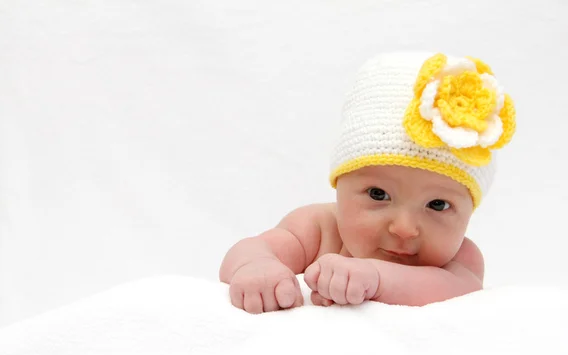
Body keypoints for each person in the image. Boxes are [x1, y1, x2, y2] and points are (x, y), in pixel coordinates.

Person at [219, 51, 516, 314]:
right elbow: (252, 248)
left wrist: (374, 277)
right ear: (339, 187)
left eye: (438, 205)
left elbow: (455, 293)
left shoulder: (460, 261)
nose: (404, 228)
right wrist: (256, 267)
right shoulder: (317, 228)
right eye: (378, 194)